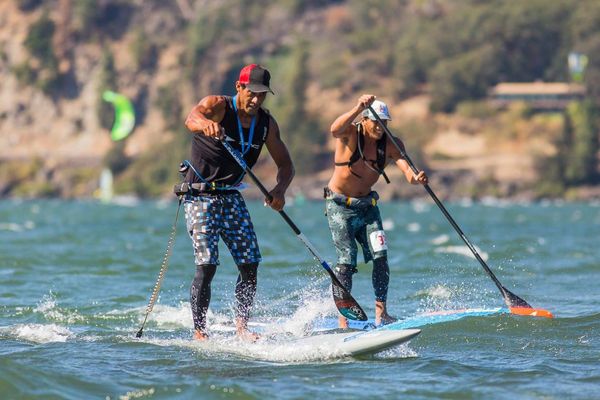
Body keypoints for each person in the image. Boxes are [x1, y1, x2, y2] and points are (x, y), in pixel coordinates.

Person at [183, 64, 294, 341]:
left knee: (250, 263)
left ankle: (242, 327)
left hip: (232, 196)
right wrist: (204, 123)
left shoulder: (266, 124)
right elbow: (191, 118)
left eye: (262, 95)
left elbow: (286, 165)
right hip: (201, 195)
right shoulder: (218, 106)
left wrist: (279, 190)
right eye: (252, 93)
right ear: (239, 87)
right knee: (207, 265)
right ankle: (200, 331)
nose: (256, 100)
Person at [325, 95, 428, 329]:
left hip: (368, 208)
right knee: (346, 261)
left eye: (385, 123)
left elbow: (407, 172)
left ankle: (382, 313)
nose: (382, 128)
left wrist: (417, 179)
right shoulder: (351, 133)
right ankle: (345, 320)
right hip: (340, 206)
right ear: (364, 120)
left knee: (381, 257)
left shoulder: (392, 143)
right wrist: (358, 107)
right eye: (377, 122)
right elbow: (334, 129)